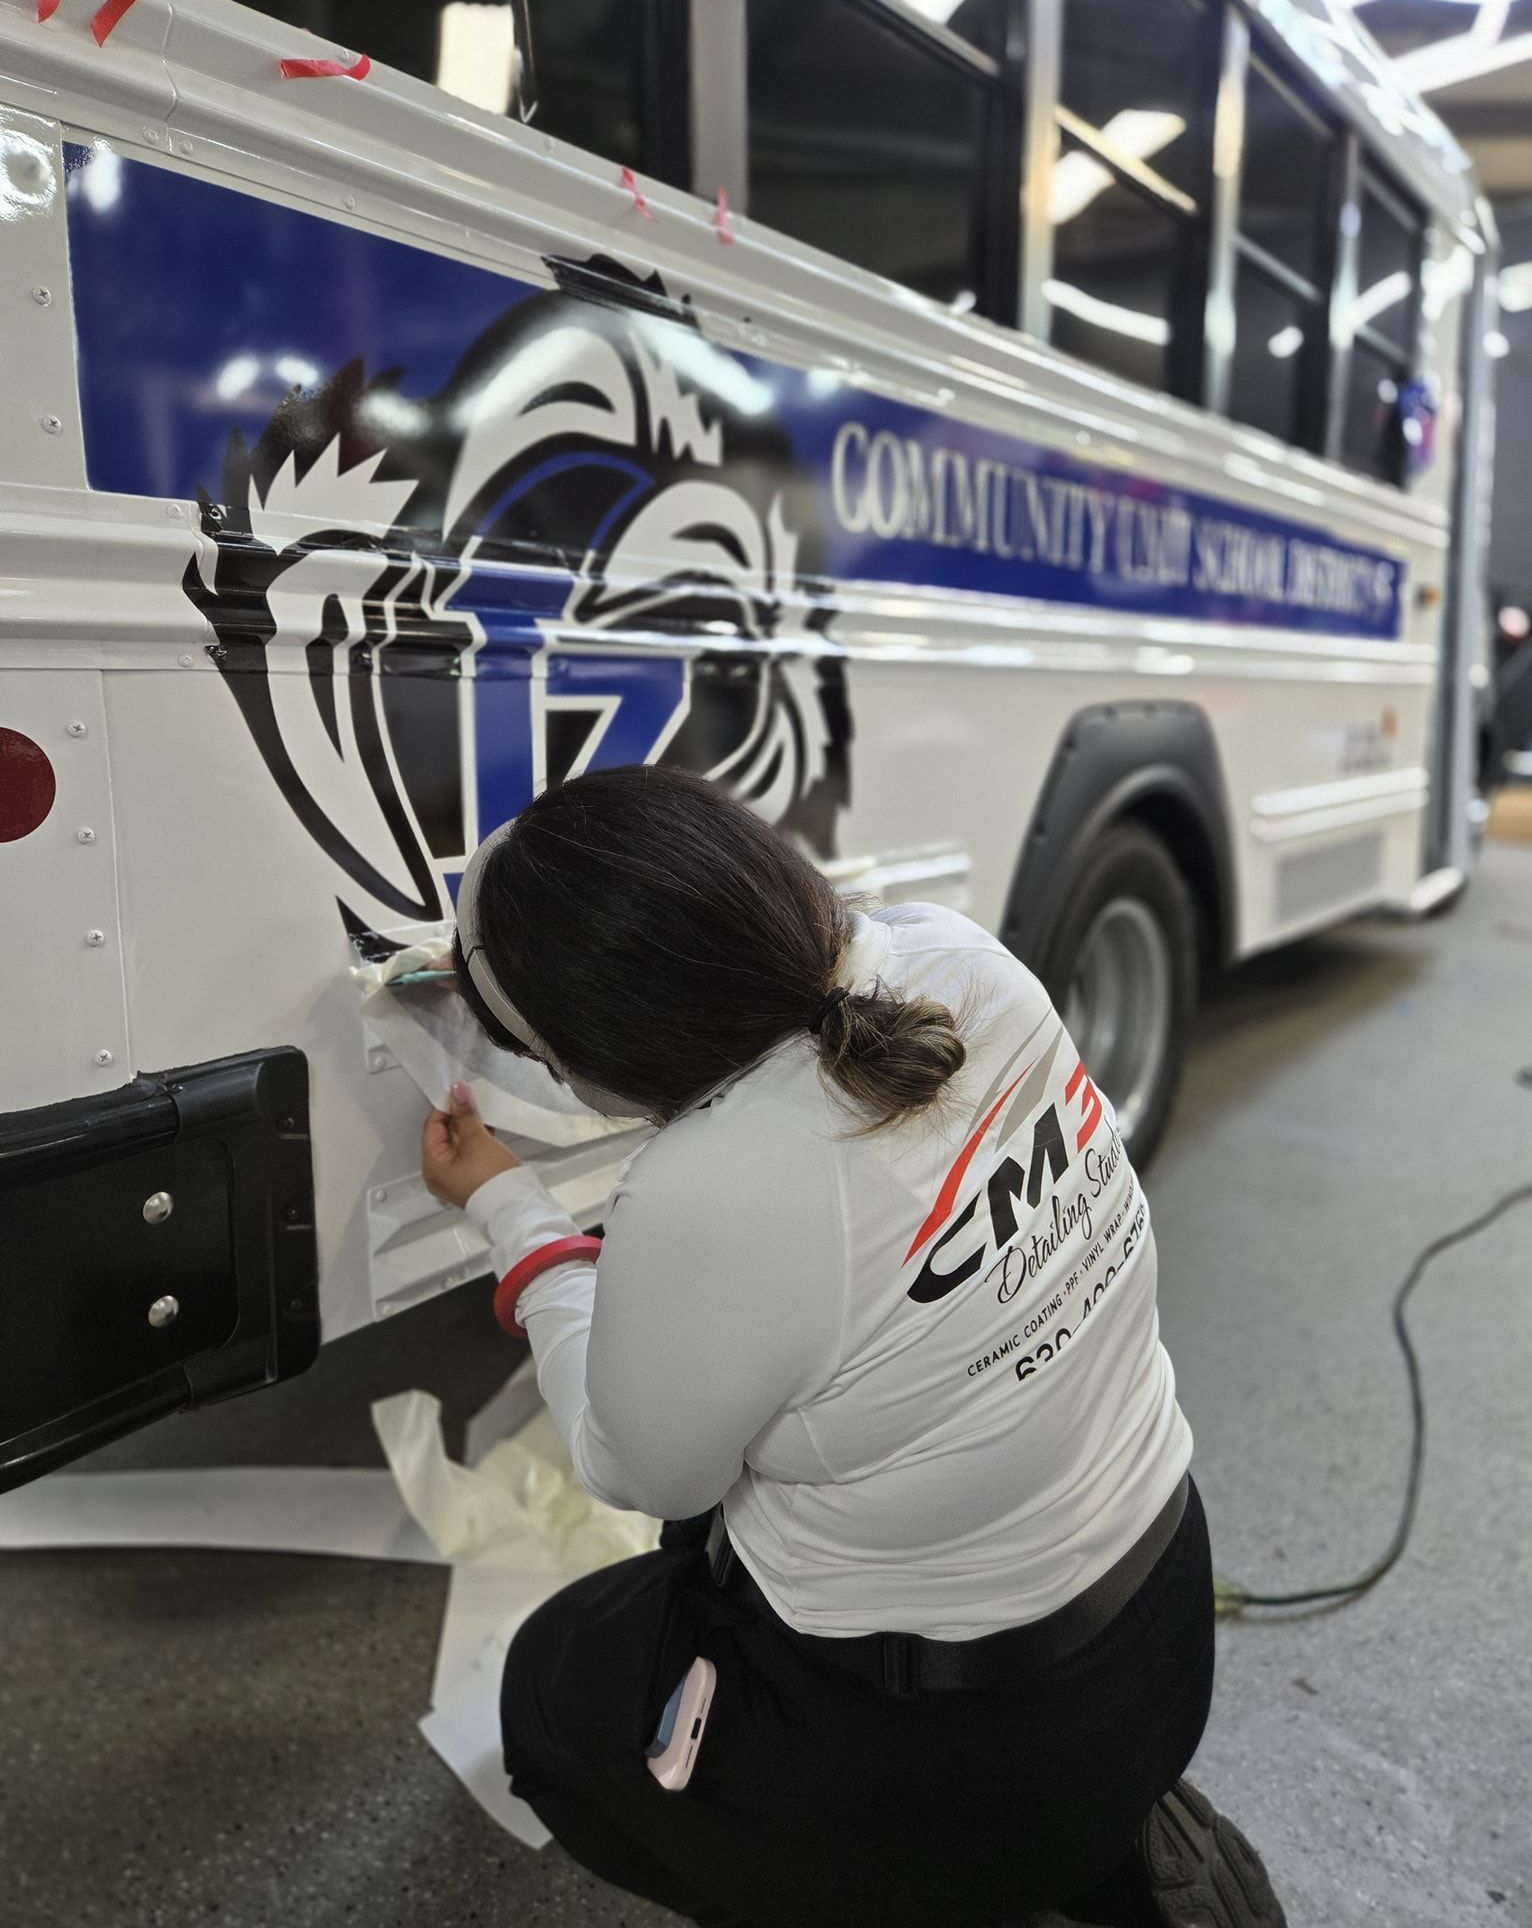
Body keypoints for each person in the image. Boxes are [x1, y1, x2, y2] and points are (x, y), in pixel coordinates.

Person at [420, 764, 1285, 1928]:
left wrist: (513, 1215)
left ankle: (937, 1878)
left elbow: (643, 1469)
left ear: (594, 1050)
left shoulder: (707, 1185)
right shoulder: (961, 957)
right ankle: (1092, 1847)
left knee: (550, 1697)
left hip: (959, 1741)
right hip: (1160, 1620)